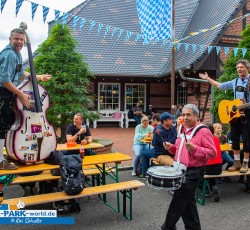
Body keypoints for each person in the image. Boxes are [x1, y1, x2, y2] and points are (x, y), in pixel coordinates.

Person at [0, 28, 51, 170]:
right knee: (3, 126)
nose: (19, 42)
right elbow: (4, 80)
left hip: (8, 92)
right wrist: (21, 94)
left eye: (21, 40)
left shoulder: (17, 54)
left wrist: (38, 76)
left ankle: (8, 155)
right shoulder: (9, 54)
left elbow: (21, 74)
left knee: (9, 125)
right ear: (10, 39)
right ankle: (0, 161)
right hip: (3, 92)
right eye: (16, 39)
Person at [161, 104, 216, 230]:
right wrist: (172, 148)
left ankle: (167, 227)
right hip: (180, 170)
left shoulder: (203, 131)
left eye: (188, 115)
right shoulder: (181, 129)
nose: (185, 117)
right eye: (183, 115)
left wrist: (195, 148)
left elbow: (212, 152)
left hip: (193, 172)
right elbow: (181, 150)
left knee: (178, 202)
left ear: (196, 116)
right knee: (188, 203)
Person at [199, 59, 250, 174]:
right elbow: (220, 86)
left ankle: (245, 162)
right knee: (234, 138)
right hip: (235, 114)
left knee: (247, 140)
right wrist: (207, 78)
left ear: (247, 68)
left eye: (241, 67)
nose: (239, 69)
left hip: (248, 113)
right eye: (237, 68)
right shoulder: (235, 81)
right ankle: (236, 162)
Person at [139, 112, 177, 178]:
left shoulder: (171, 127)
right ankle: (145, 173)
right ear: (165, 121)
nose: (172, 120)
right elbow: (168, 143)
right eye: (170, 119)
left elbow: (174, 140)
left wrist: (173, 140)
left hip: (168, 152)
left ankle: (144, 173)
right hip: (161, 154)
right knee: (143, 153)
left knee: (143, 153)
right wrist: (174, 138)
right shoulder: (158, 130)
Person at [204, 123, 223, 202]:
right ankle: (213, 186)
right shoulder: (216, 138)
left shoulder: (204, 139)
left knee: (198, 172)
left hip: (208, 169)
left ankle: (206, 190)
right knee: (211, 171)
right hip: (219, 168)